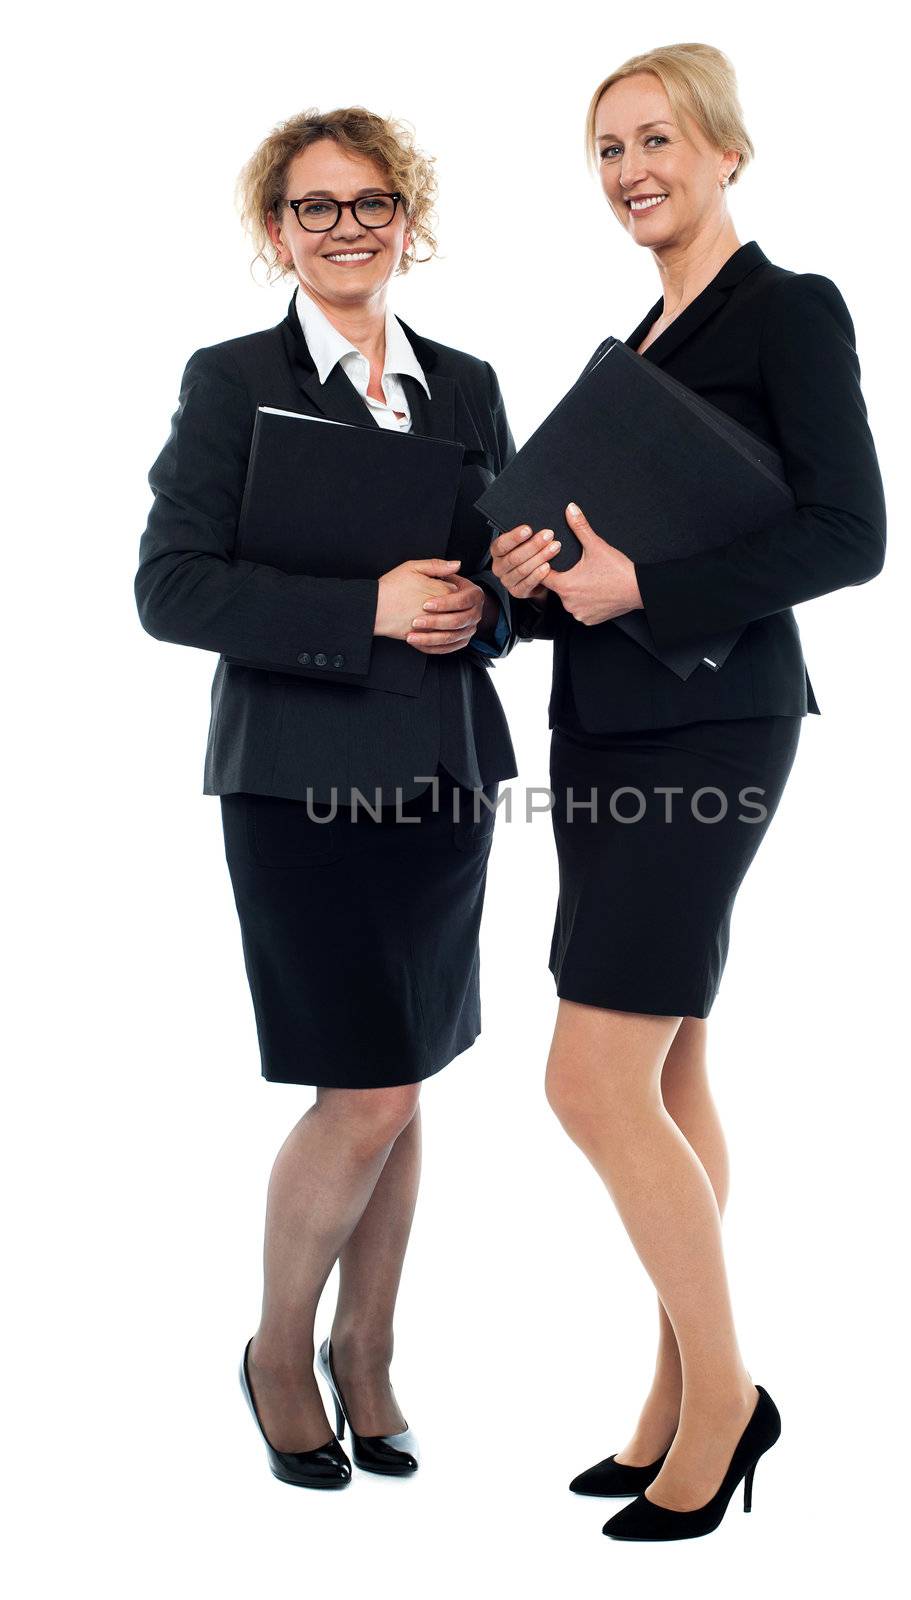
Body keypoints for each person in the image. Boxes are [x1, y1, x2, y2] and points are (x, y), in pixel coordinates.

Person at [490, 43, 886, 1541]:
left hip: (710, 727)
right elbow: (588, 585)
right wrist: (532, 584)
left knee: (585, 1081)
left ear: (726, 151)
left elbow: (848, 535)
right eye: (605, 151)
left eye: (656, 140)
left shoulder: (787, 312)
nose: (630, 170)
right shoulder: (638, 351)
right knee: (663, 1076)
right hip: (606, 726)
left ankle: (726, 1404)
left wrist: (639, 581)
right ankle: (670, 1400)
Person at [135, 106, 519, 1489]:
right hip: (299, 784)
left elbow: (495, 602)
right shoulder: (233, 381)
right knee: (357, 1089)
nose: (345, 227)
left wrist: (479, 605)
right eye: (315, 207)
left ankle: (371, 1354)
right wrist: (362, 606)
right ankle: (279, 1351)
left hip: (440, 781)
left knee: (404, 1083)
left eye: (370, 204)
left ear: (405, 220)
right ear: (276, 231)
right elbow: (170, 589)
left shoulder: (464, 383)